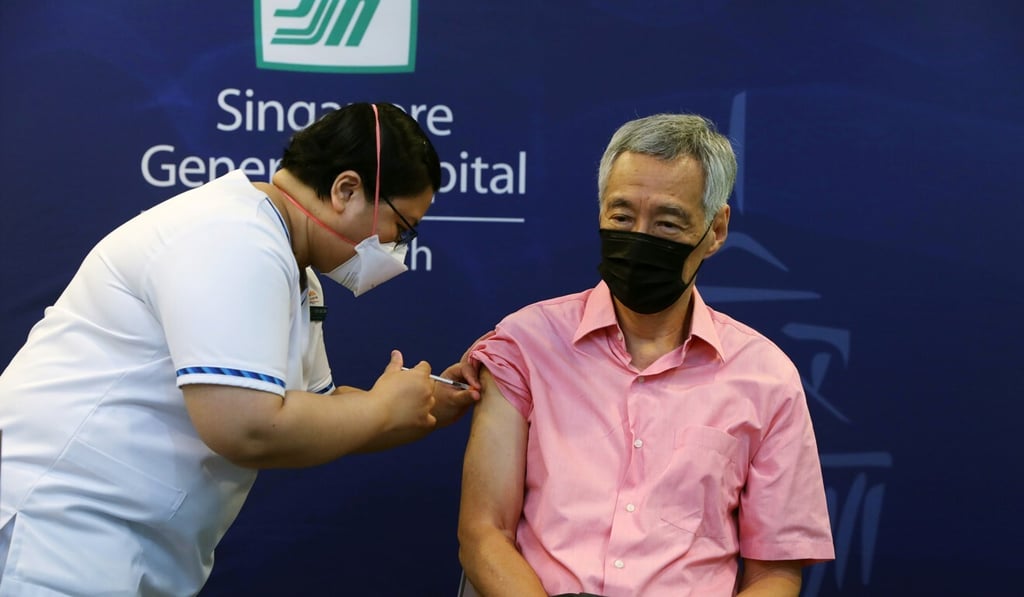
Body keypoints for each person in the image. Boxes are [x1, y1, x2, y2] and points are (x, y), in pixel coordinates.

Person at [0, 102, 478, 595]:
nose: (398, 247)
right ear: (346, 190)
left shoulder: (292, 266)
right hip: (53, 531)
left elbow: (318, 411)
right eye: (402, 226)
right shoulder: (232, 239)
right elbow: (245, 426)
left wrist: (427, 404)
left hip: (113, 544)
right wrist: (383, 408)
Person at [457, 113, 835, 597]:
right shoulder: (526, 344)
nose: (638, 238)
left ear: (716, 229)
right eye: (621, 216)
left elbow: (775, 571)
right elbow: (483, 533)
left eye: (667, 223)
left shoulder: (766, 378)